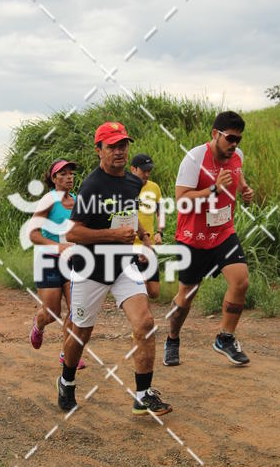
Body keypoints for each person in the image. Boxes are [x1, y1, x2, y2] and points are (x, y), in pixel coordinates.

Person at [59, 121, 172, 416]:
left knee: (145, 323)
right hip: (90, 270)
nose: (119, 151)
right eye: (112, 146)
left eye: (123, 145)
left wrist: (145, 239)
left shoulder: (133, 183)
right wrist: (111, 235)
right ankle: (66, 379)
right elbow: (73, 233)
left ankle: (143, 395)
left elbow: (128, 215)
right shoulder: (92, 186)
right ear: (99, 150)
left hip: (124, 265)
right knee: (81, 334)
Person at [163, 110, 254, 367]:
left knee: (241, 281)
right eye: (230, 138)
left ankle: (225, 338)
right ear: (215, 134)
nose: (234, 145)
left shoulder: (237, 156)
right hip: (193, 238)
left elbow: (237, 174)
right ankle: (172, 338)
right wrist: (214, 188)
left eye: (239, 140)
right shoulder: (194, 159)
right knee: (185, 299)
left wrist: (244, 188)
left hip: (223, 232)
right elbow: (181, 199)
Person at [29, 159, 84, 369]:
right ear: (54, 179)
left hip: (73, 262)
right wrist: (58, 247)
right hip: (49, 260)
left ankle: (67, 353)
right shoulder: (48, 200)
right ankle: (39, 324)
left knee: (75, 311)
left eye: (71, 173)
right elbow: (33, 234)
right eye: (63, 173)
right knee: (52, 312)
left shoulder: (79, 200)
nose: (69, 177)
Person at [130, 153, 164, 300]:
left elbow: (160, 211)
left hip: (148, 245)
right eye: (144, 170)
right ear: (133, 169)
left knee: (154, 292)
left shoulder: (154, 187)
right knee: (140, 288)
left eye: (149, 170)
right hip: (130, 246)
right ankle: (141, 318)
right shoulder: (126, 188)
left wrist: (159, 232)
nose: (147, 174)